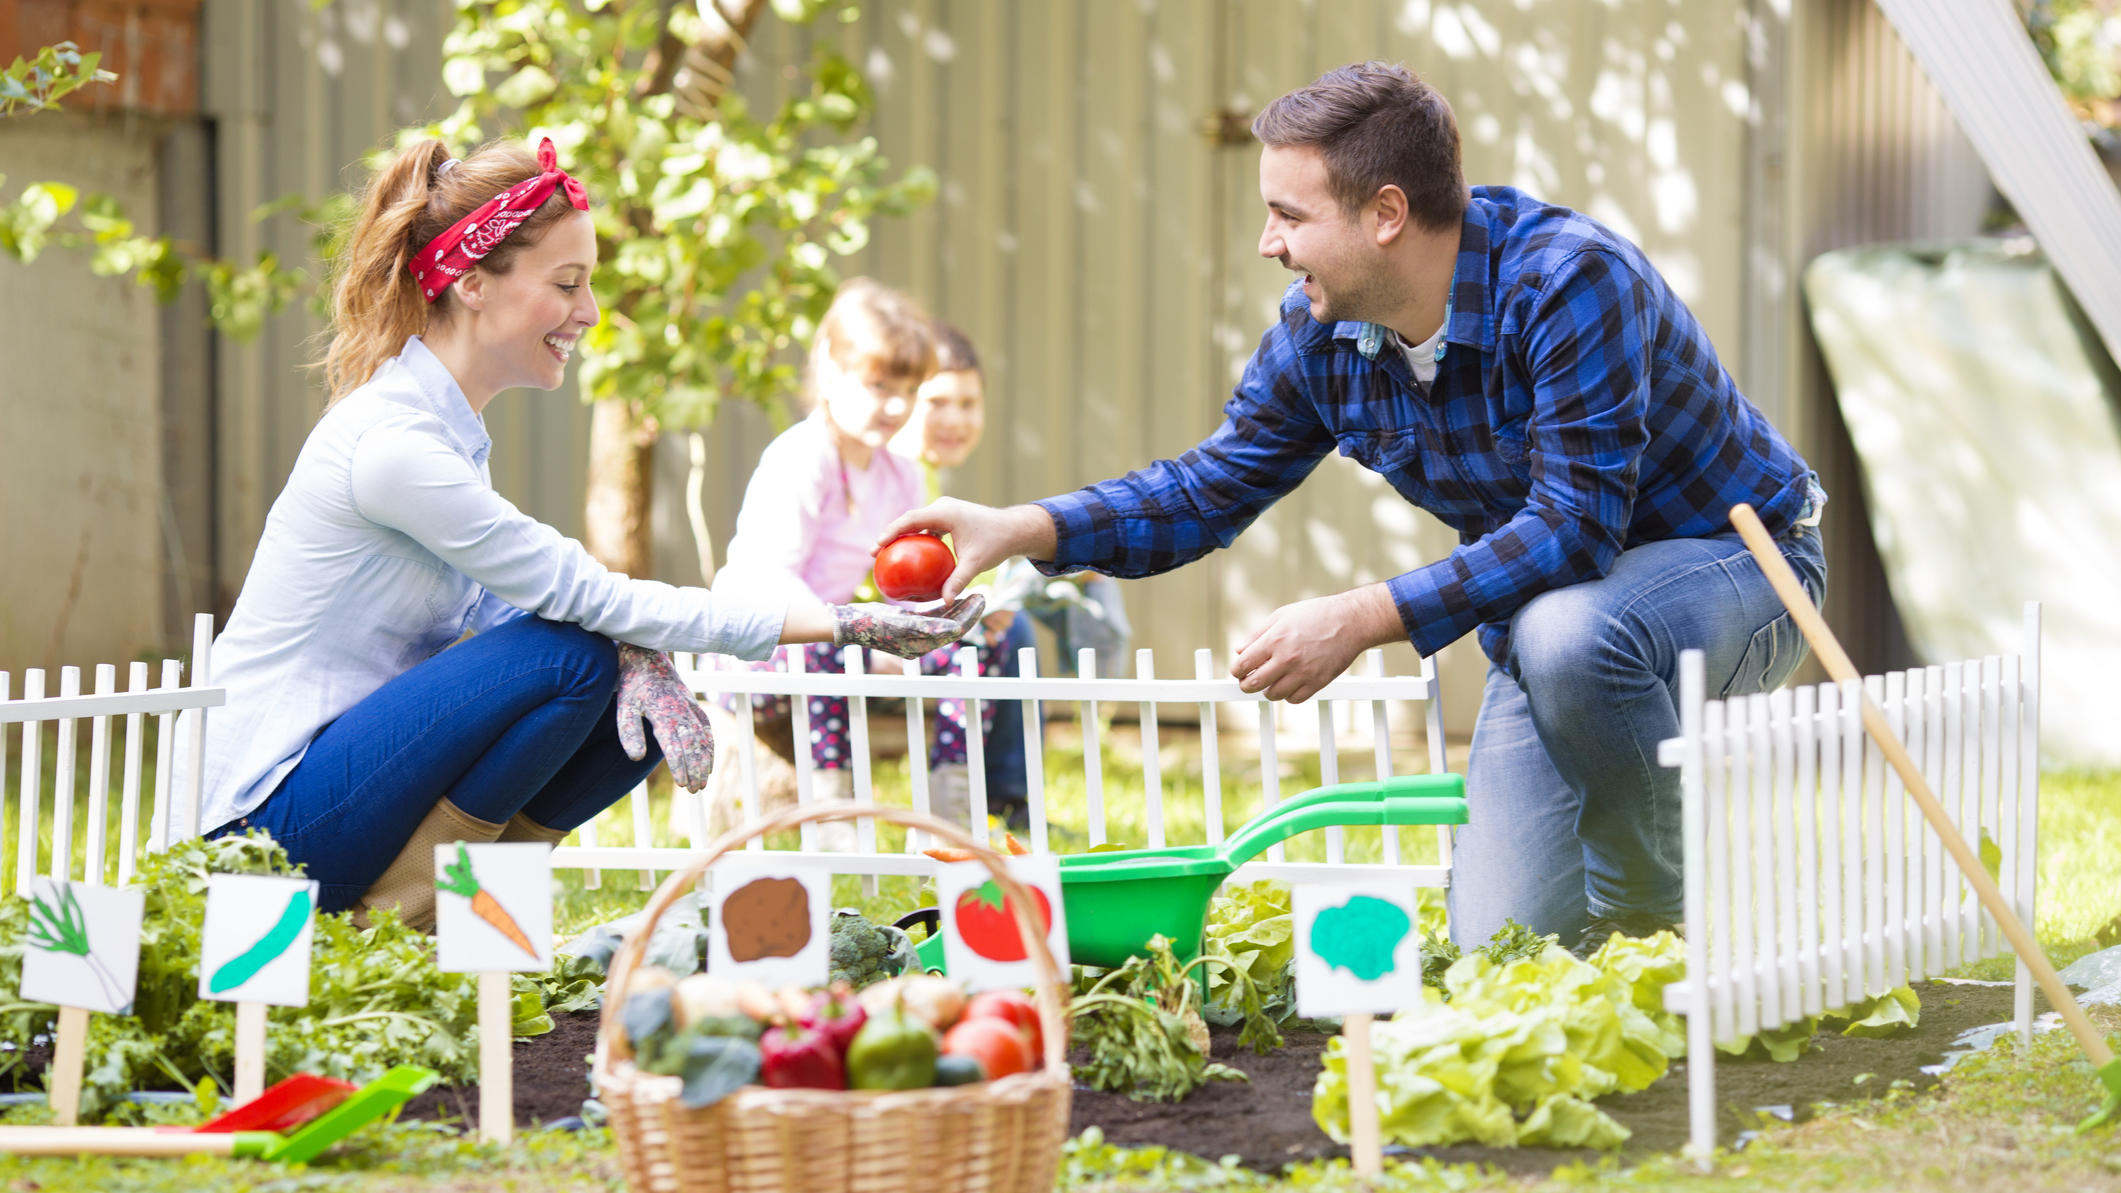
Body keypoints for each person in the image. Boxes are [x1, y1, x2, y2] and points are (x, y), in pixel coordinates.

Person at [885, 62, 1829, 958]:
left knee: (1569, 636)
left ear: (1386, 214)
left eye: (1286, 214)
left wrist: (1359, 616)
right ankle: (1617, 909)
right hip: (1554, 623)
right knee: (1501, 947)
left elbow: (1575, 528)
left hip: (1740, 569)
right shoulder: (1323, 336)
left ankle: (1650, 924)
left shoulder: (1567, 280)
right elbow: (1206, 489)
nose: (1268, 243)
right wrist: (1025, 526)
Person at [180, 137, 977, 928]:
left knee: (620, 697)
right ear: (470, 284)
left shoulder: (447, 435)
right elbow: (573, 594)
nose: (589, 313)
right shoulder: (394, 445)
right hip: (256, 834)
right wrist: (839, 622)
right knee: (574, 656)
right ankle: (395, 920)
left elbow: (515, 609)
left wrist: (644, 652)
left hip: (333, 802)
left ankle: (455, 922)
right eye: (567, 283)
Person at [714, 281, 1005, 841]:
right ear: (829, 370)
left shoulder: (900, 472)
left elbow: (905, 579)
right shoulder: (803, 457)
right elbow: (771, 577)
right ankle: (833, 817)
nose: (896, 407)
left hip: (838, 637)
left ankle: (952, 818)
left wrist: (920, 625)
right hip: (758, 642)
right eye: (877, 386)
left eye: (908, 389)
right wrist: (858, 635)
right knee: (825, 645)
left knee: (975, 650)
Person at [890, 322, 1136, 829]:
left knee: (1033, 606)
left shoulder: (925, 474)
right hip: (877, 633)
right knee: (1013, 632)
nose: (954, 419)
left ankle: (1007, 796)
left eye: (968, 402)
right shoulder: (894, 476)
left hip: (916, 621)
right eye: (937, 402)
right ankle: (1003, 796)